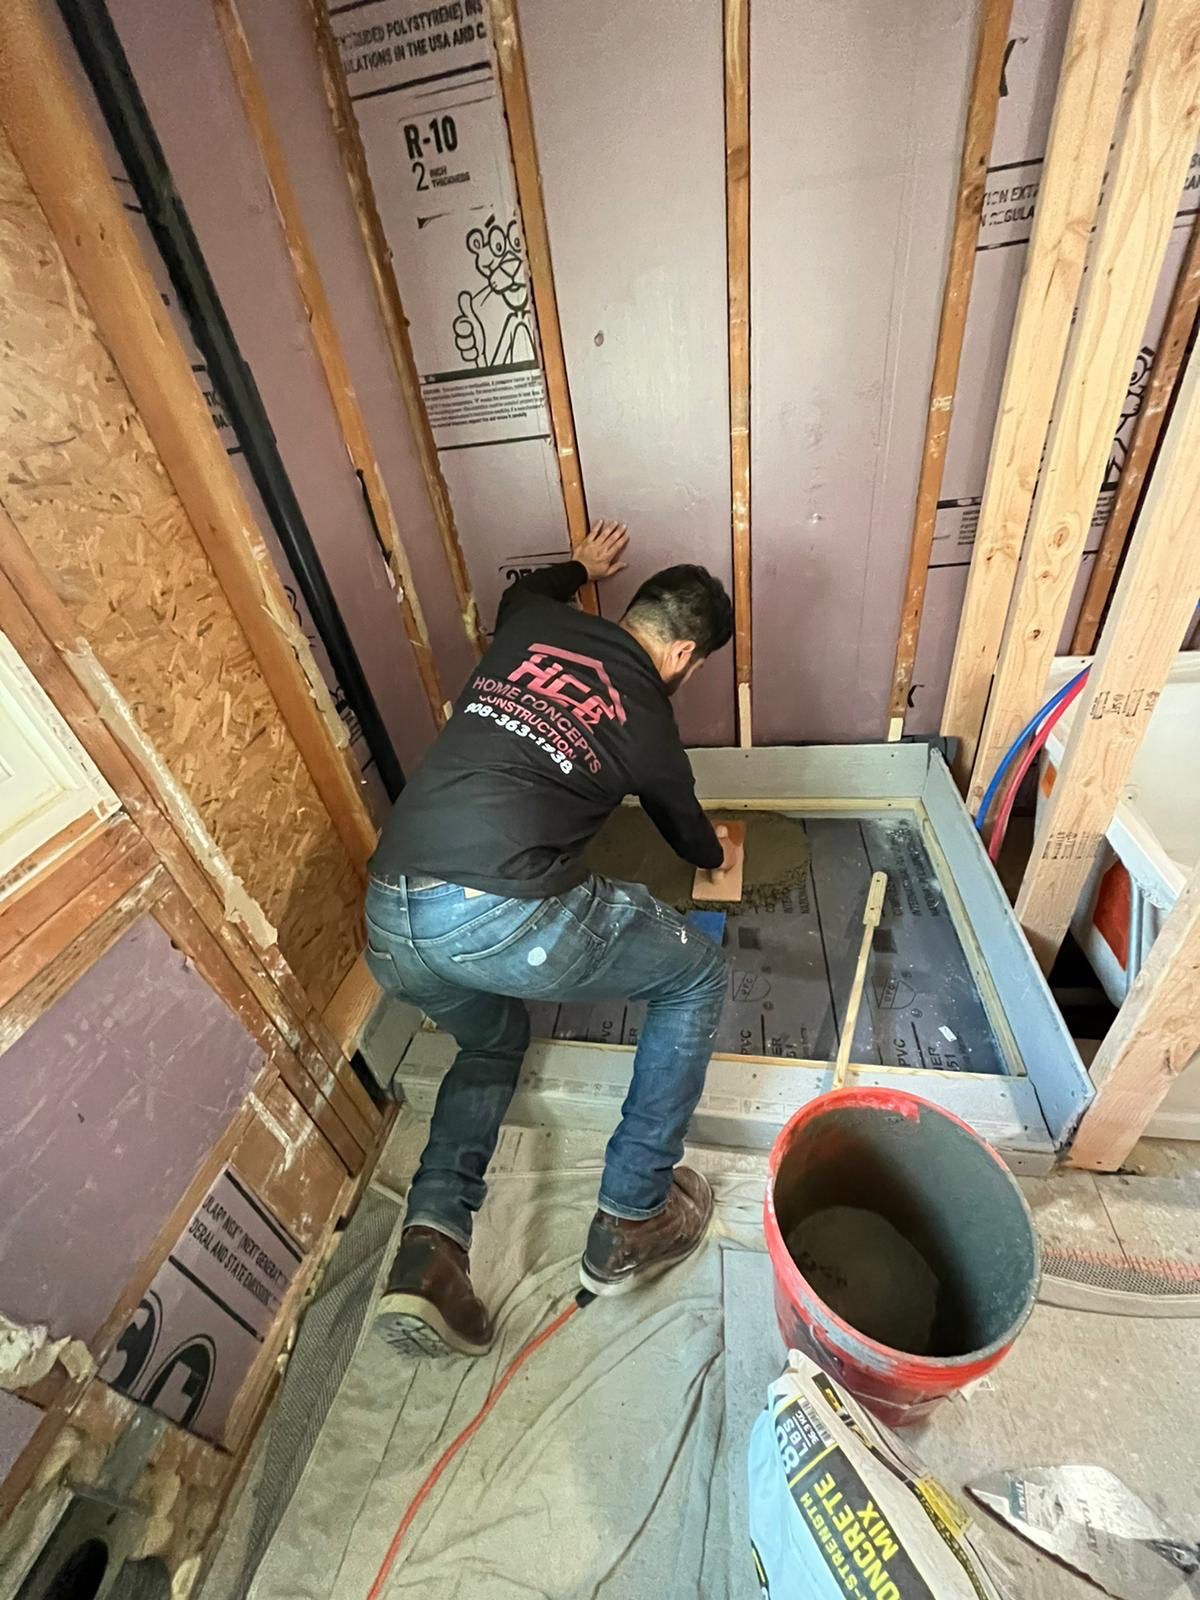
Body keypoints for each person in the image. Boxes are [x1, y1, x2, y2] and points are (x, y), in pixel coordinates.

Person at [364, 521, 739, 1357]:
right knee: (696, 976)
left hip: (390, 915)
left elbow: (519, 592)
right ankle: (633, 1214)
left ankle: (430, 1246)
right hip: (501, 914)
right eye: (694, 665)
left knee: (492, 1041)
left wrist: (583, 568)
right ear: (684, 656)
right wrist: (719, 850)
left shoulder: (532, 621)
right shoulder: (648, 715)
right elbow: (690, 839)